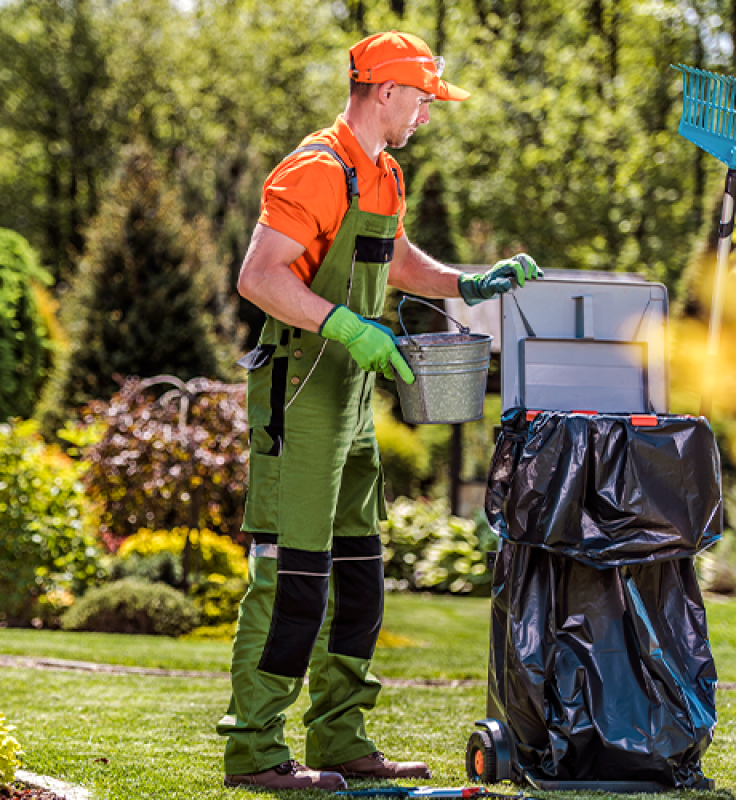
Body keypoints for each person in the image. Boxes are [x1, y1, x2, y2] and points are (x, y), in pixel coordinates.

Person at [217, 30, 542, 793]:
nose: (428, 110)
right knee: (292, 575)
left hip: (355, 398)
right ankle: (256, 748)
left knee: (361, 573)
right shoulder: (316, 168)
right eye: (423, 96)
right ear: (386, 90)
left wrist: (466, 285)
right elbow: (259, 278)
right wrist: (343, 324)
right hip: (300, 394)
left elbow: (393, 259)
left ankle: (339, 735)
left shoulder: (382, 174)